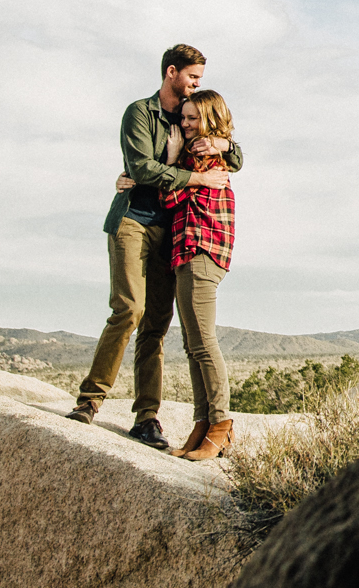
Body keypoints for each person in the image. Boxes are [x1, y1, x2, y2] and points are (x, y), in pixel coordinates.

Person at [66, 45, 240, 450]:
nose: (197, 84)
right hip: (134, 220)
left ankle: (147, 418)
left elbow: (238, 154)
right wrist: (191, 177)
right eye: (192, 77)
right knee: (129, 308)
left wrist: (223, 148)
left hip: (173, 231)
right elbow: (142, 167)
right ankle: (90, 401)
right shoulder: (140, 113)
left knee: (157, 326)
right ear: (171, 72)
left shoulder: (195, 115)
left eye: (199, 80)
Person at [162, 88, 239, 460]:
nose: (186, 124)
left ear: (209, 120)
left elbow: (171, 198)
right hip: (185, 254)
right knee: (193, 346)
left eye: (193, 118)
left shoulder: (210, 160)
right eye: (184, 117)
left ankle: (221, 424)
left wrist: (175, 160)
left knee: (204, 343)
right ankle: (202, 423)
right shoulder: (202, 157)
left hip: (202, 252)